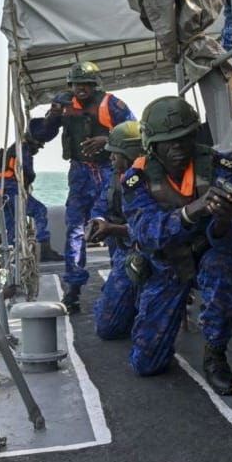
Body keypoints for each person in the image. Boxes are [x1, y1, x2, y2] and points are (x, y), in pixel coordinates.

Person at [122, 96, 232, 393]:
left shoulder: (220, 167)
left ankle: (215, 352)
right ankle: (157, 318)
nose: (178, 148)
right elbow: (147, 232)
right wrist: (194, 211)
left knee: (222, 266)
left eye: (184, 139)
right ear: (152, 145)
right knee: (146, 365)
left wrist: (224, 221)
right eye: (169, 142)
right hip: (166, 265)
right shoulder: (136, 180)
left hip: (206, 256)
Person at [41, 61, 135, 312]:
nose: (81, 88)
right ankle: (73, 287)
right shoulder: (65, 105)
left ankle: (120, 278)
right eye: (76, 84)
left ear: (95, 85)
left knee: (112, 220)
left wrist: (107, 139)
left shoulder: (112, 104)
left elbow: (135, 132)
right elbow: (44, 134)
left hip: (108, 169)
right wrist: (53, 115)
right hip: (80, 171)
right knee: (74, 228)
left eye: (86, 84)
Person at [86, 120, 144, 340]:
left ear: (131, 154)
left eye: (115, 153)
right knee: (106, 327)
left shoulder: (151, 180)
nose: (110, 158)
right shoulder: (115, 176)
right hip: (124, 252)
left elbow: (152, 228)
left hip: (152, 254)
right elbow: (101, 203)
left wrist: (114, 229)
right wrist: (99, 220)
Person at [0, 118, 62, 262]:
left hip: (0, 188)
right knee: (40, 211)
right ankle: (44, 248)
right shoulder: (24, 149)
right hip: (11, 188)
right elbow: (28, 172)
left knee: (10, 231)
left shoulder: (13, 148)